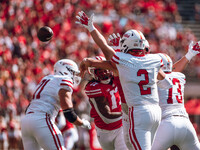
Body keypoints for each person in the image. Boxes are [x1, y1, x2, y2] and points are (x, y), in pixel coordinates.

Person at [76, 11, 172, 150]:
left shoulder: (124, 61)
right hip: (156, 112)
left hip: (137, 112)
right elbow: (166, 84)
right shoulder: (154, 59)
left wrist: (91, 29)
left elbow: (105, 49)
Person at [20, 59, 91, 150]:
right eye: (73, 73)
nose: (74, 76)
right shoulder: (64, 80)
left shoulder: (46, 79)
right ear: (66, 71)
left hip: (26, 121)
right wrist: (82, 123)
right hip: (42, 119)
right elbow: (69, 112)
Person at [151, 50, 200, 149]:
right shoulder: (180, 76)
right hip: (185, 124)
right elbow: (170, 72)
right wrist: (188, 56)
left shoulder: (153, 78)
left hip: (166, 123)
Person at [84, 55, 128, 150]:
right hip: (103, 130)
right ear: (93, 73)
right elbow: (107, 117)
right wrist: (128, 114)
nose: (104, 72)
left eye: (105, 69)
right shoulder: (93, 87)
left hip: (121, 127)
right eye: (100, 71)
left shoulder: (117, 78)